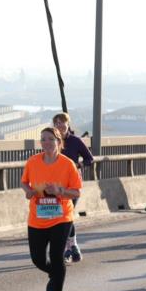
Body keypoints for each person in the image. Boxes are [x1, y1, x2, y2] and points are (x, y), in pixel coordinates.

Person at [20, 126, 83, 291]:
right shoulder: (33, 162)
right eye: (43, 139)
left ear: (58, 142)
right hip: (37, 218)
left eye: (50, 139)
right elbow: (24, 182)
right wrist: (29, 191)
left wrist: (60, 191)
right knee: (37, 259)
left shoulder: (67, 164)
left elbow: (77, 191)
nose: (46, 143)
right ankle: (54, 276)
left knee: (56, 256)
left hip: (61, 218)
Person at [52, 112, 93, 263]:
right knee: (62, 215)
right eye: (56, 123)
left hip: (73, 184)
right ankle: (73, 247)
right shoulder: (53, 141)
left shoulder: (75, 141)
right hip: (56, 185)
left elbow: (90, 159)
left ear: (68, 124)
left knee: (66, 215)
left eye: (62, 123)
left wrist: (79, 165)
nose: (59, 126)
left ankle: (67, 248)